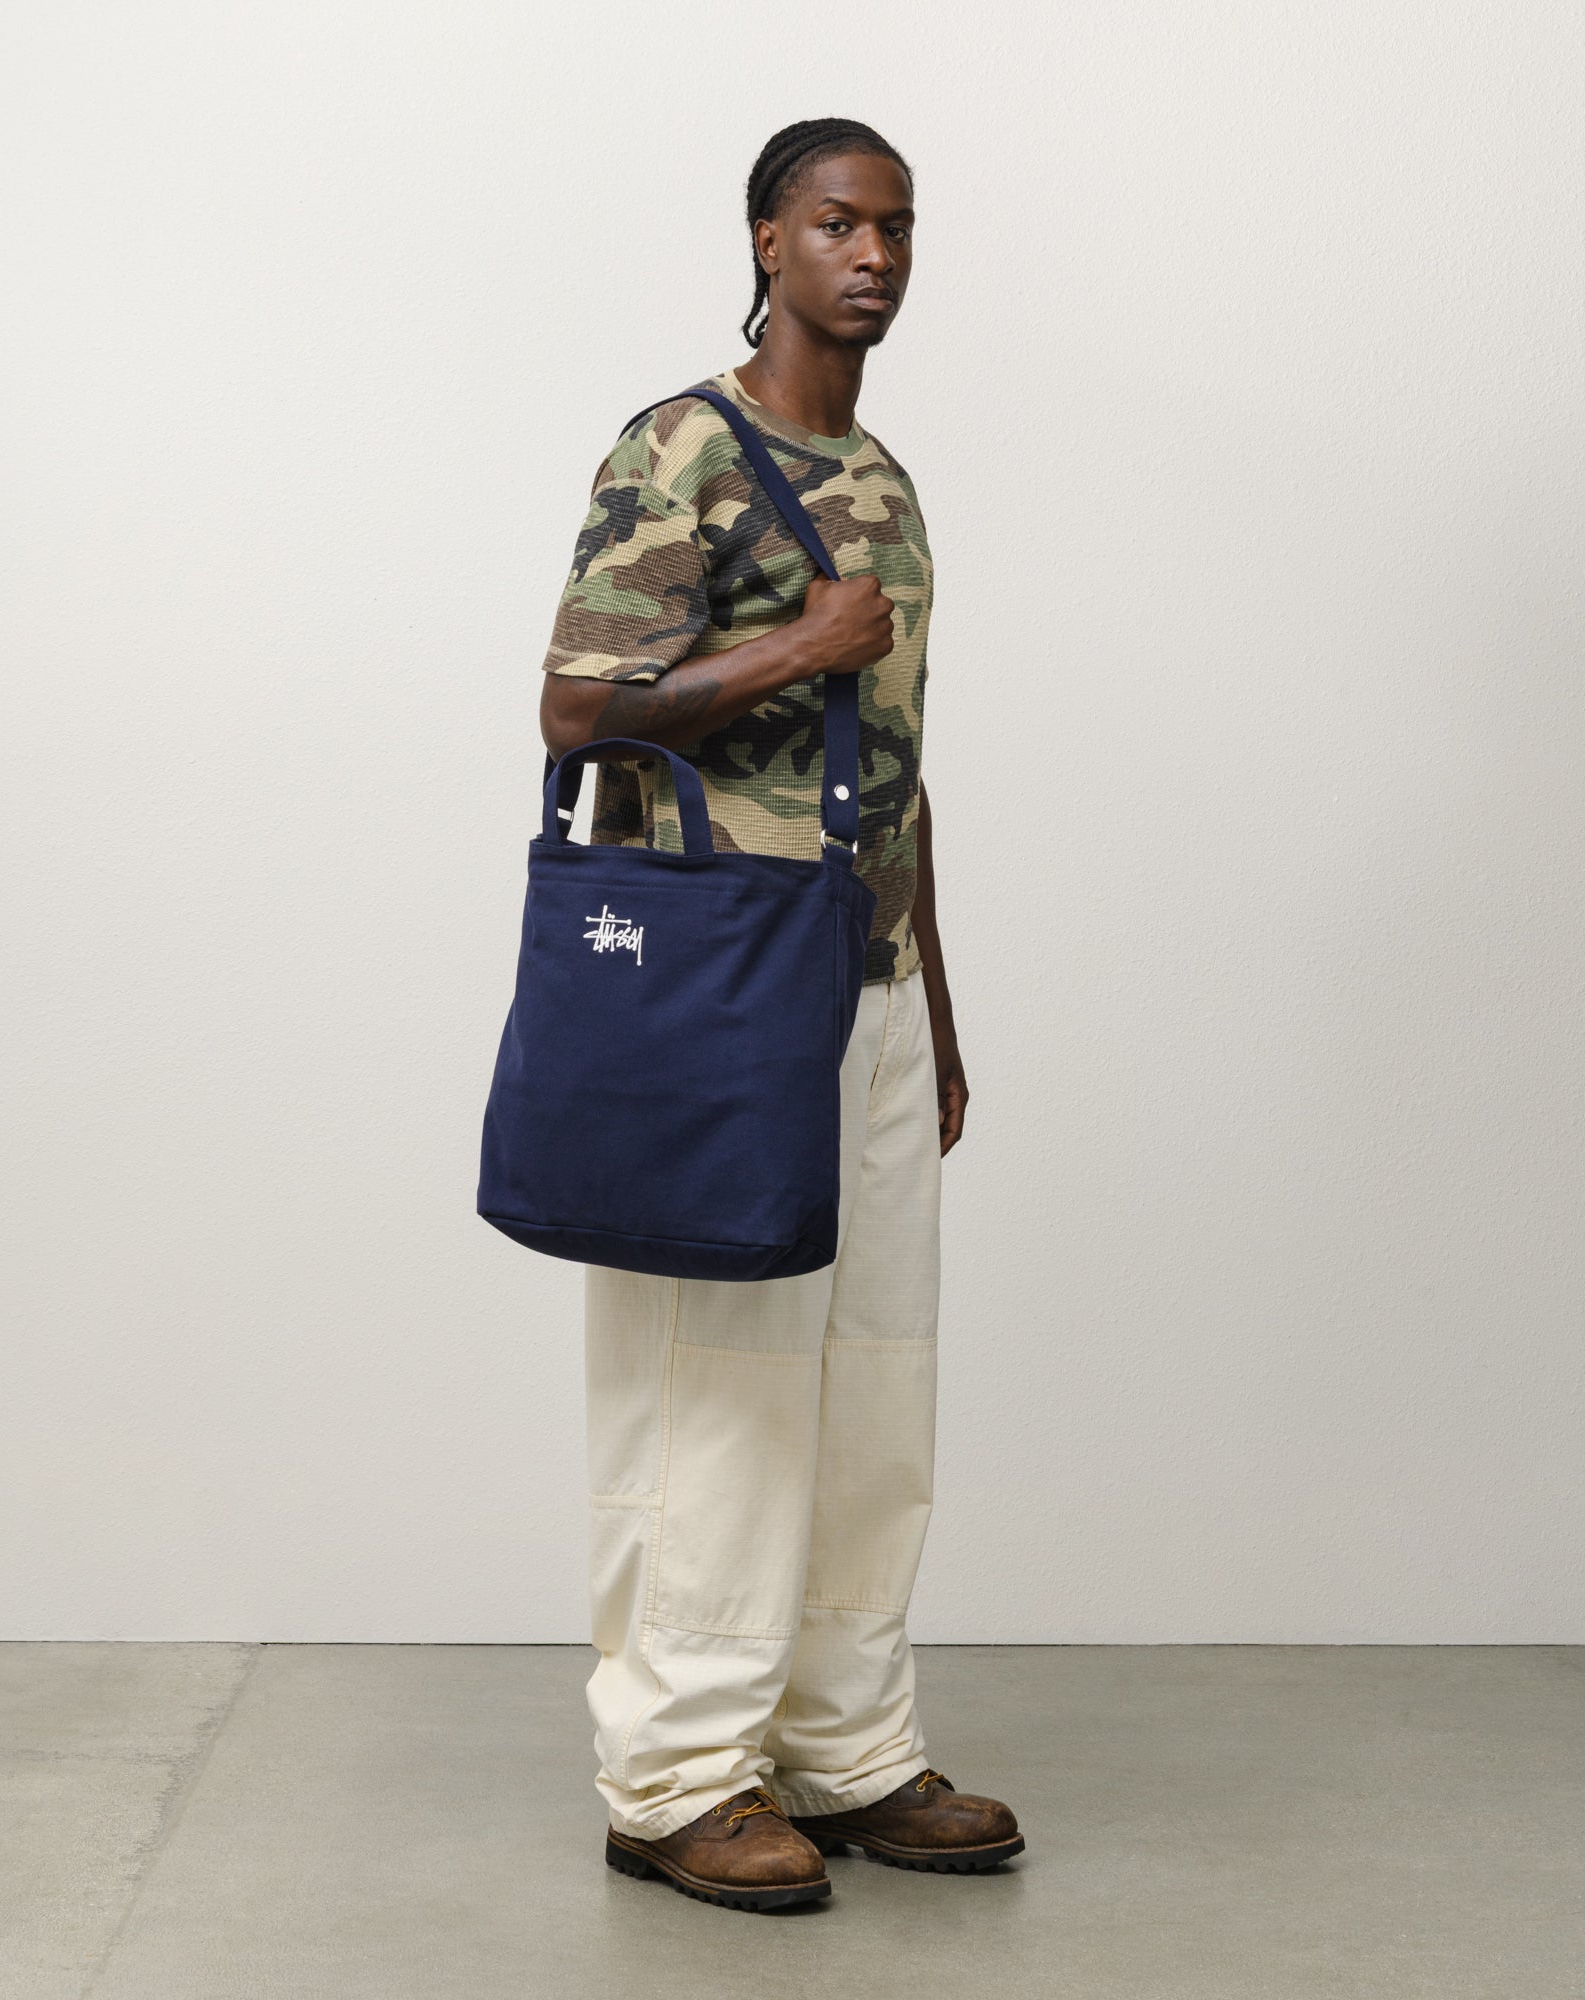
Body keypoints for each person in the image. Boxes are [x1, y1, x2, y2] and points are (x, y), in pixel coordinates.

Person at [536, 117, 1023, 1913]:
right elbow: (578, 709)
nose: (872, 254)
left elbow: (896, 766)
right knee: (718, 1393)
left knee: (876, 1388)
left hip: (863, 981)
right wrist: (797, 646)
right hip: (724, 988)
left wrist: (936, 1003)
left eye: (896, 226)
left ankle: (846, 1746)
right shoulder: (682, 447)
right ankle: (676, 1776)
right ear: (767, 240)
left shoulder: (881, 477)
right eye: (836, 222)